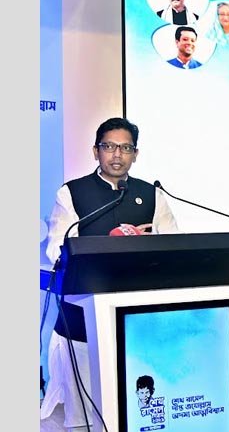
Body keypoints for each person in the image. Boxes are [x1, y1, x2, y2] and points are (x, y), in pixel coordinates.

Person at [39, 117, 179, 428]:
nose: (117, 154)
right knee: (87, 418)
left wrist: (150, 241)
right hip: (84, 317)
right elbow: (56, 249)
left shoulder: (152, 195)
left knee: (138, 412)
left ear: (135, 154)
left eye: (126, 148)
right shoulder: (72, 193)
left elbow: (173, 244)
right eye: (109, 146)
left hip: (139, 319)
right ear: (96, 151)